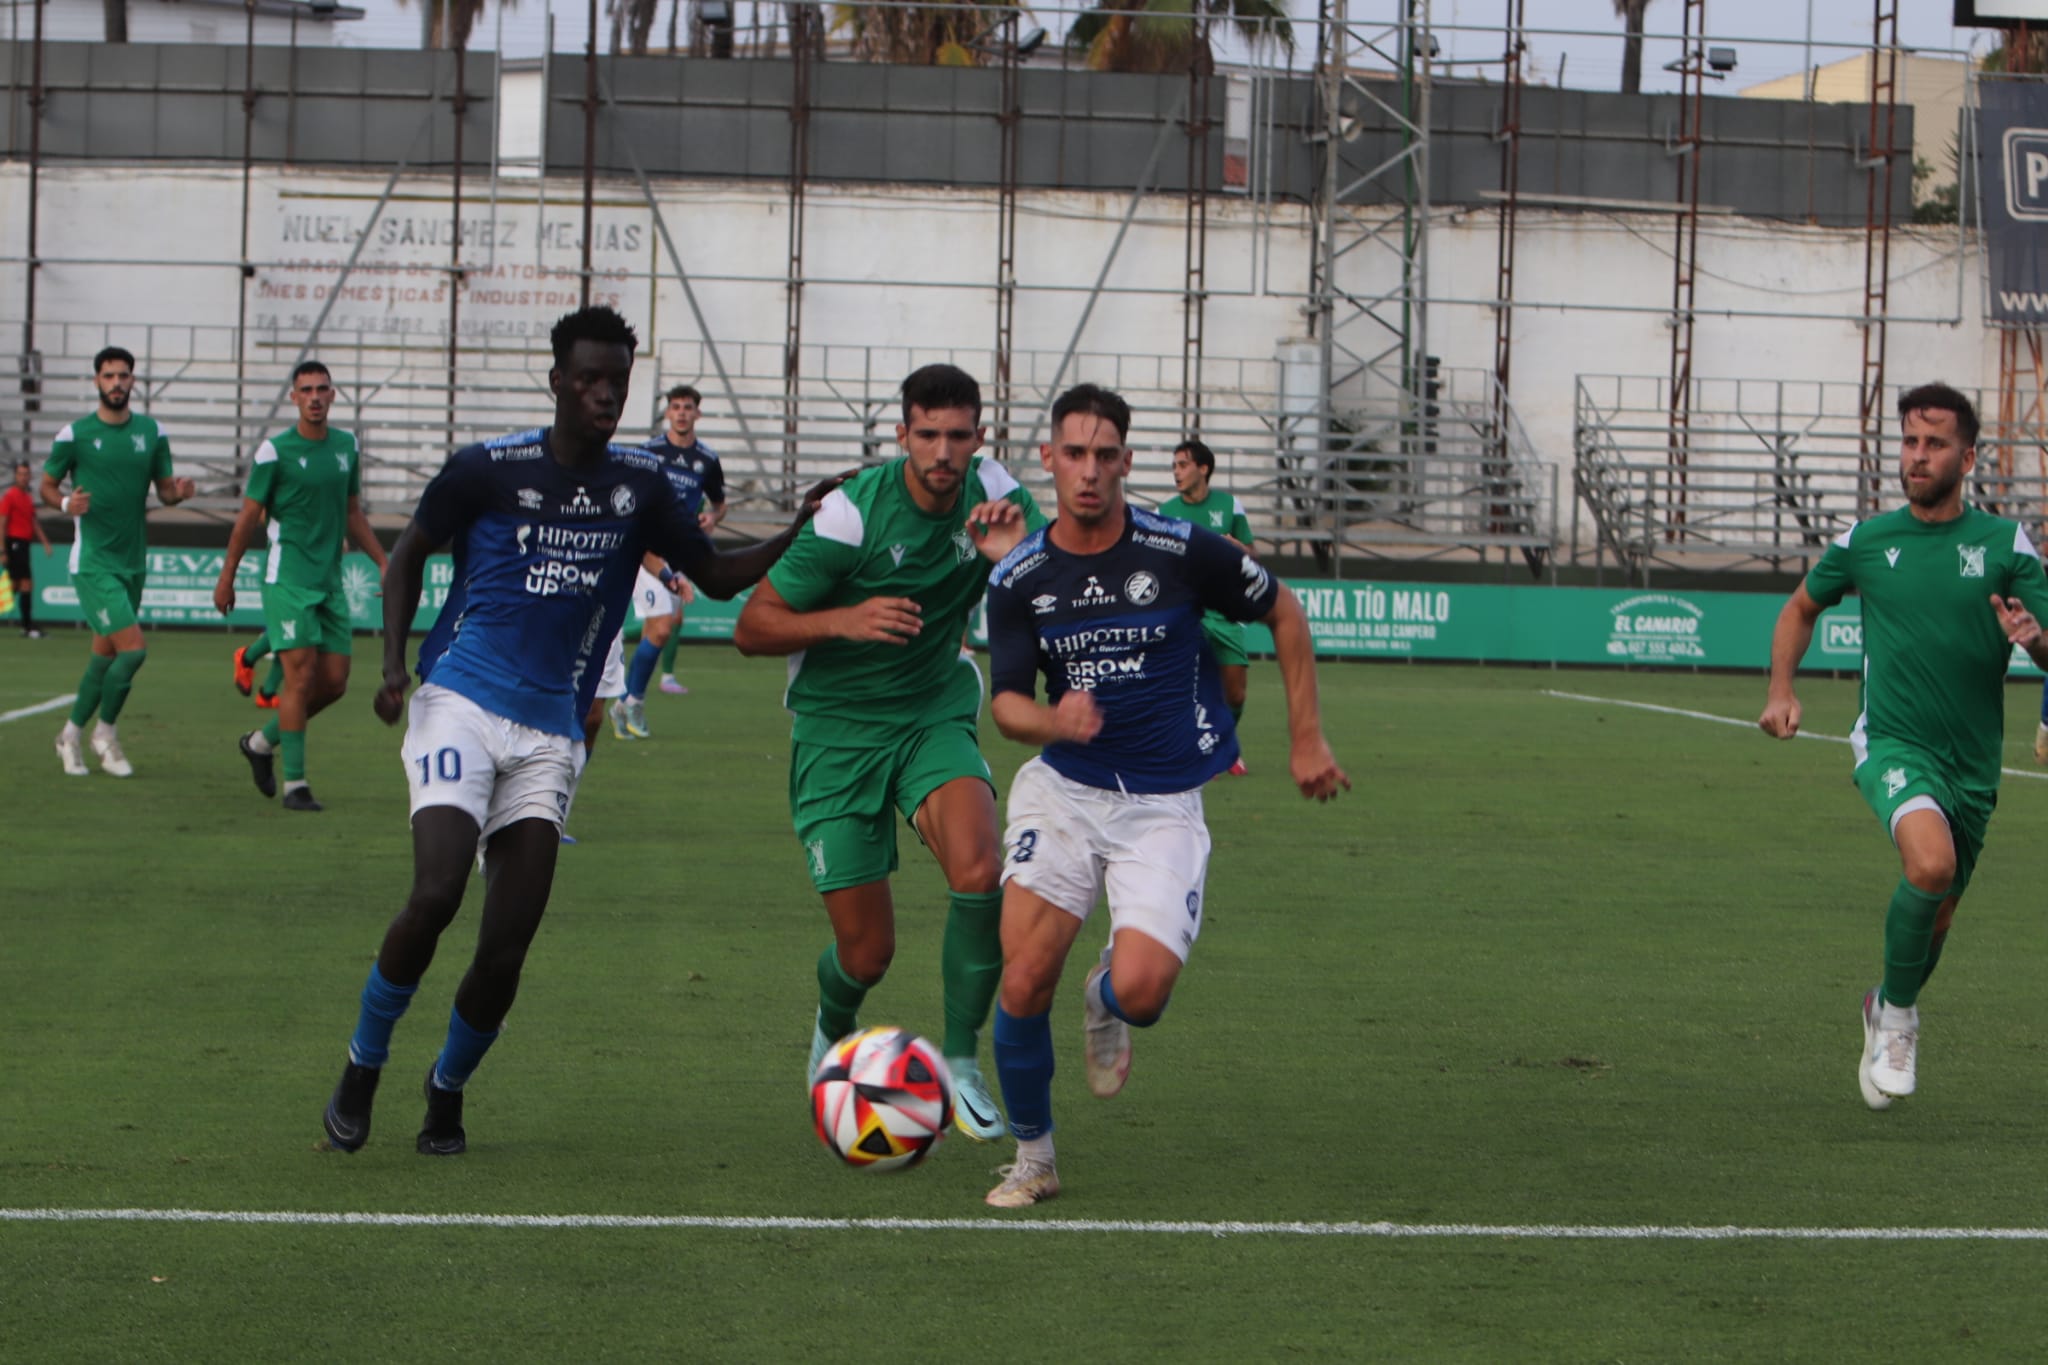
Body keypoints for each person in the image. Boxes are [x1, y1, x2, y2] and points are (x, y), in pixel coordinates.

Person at [320, 306, 838, 1156]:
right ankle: (362, 1062)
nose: (605, 394)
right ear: (556, 378)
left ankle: (445, 1088)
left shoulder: (640, 487)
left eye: (617, 381)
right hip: (459, 702)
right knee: (438, 892)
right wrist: (390, 667)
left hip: (551, 734)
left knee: (506, 948)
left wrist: (798, 527)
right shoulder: (487, 468)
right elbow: (408, 553)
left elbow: (710, 575)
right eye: (589, 379)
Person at [978, 383, 1349, 1208]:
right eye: (1073, 453)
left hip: (1162, 802)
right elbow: (1004, 703)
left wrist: (1306, 737)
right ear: (1048, 458)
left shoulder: (1180, 548)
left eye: (1106, 455)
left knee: (1143, 995)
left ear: (1127, 462)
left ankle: (1106, 993)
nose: (1089, 471)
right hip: (1063, 793)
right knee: (1023, 976)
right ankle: (1033, 1158)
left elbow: (1284, 611)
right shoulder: (1020, 576)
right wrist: (1050, 716)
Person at [732, 362, 1043, 1144]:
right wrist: (846, 619)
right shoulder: (848, 516)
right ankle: (831, 1024)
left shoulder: (999, 498)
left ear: (979, 438)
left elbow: (1052, 586)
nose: (944, 451)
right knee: (867, 952)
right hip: (836, 733)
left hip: (932, 710)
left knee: (979, 868)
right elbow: (752, 626)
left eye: (959, 436)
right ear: (901, 434)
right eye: (927, 434)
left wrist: (1012, 561)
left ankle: (963, 1064)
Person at [1759, 381, 2048, 1112]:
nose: (1918, 456)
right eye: (1911, 442)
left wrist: (2037, 640)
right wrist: (1781, 689)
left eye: (1935, 443)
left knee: (1940, 911)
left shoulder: (2004, 547)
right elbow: (1801, 607)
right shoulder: (1867, 540)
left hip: (1974, 764)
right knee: (1930, 862)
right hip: (1891, 740)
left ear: (1969, 455)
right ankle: (1900, 1022)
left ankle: (1886, 997)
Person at [215, 361, 389, 812]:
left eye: (322, 389)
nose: (314, 397)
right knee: (299, 676)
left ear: (334, 396)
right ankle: (296, 785)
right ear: (293, 397)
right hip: (287, 580)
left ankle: (259, 743)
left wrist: (384, 562)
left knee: (334, 683)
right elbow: (247, 518)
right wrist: (226, 576)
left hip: (329, 582)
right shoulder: (275, 452)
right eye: (305, 390)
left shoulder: (346, 447)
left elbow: (352, 511)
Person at [41, 345, 195, 777]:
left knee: (104, 656)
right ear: (96, 382)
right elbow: (47, 486)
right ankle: (104, 733)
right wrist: (67, 502)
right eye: (108, 376)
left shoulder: (151, 432)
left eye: (123, 376)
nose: (116, 383)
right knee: (133, 651)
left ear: (132, 380)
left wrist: (178, 492)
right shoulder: (75, 434)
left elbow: (163, 490)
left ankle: (69, 735)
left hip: (133, 561)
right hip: (92, 562)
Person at [1157, 437, 1255, 774]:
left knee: (1236, 692)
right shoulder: (1165, 512)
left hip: (1225, 611)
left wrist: (1236, 548)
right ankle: (1183, 746)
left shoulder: (1230, 507)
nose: (1176, 472)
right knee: (1179, 686)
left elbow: (1251, 555)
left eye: (1182, 465)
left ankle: (1222, 740)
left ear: (1203, 468)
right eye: (1174, 466)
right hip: (1186, 611)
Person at [630, 384, 728, 708]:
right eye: (676, 407)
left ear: (697, 413)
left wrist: (712, 518)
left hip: (681, 549)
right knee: (662, 627)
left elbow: (720, 504)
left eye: (688, 407)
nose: (682, 413)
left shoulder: (707, 459)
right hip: (648, 549)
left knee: (662, 625)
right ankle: (630, 701)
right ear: (668, 413)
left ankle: (636, 692)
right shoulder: (649, 452)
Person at [2, 459, 52, 637]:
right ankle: (27, 626)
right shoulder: (10, 496)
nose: (23, 477)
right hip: (14, 543)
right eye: (20, 474)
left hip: (23, 544)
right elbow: (3, 522)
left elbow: (33, 522)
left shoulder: (27, 498)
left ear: (30, 476)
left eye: (26, 474)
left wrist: (45, 542)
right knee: (24, 584)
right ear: (15, 476)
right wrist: (2, 550)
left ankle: (27, 625)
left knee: (16, 585)